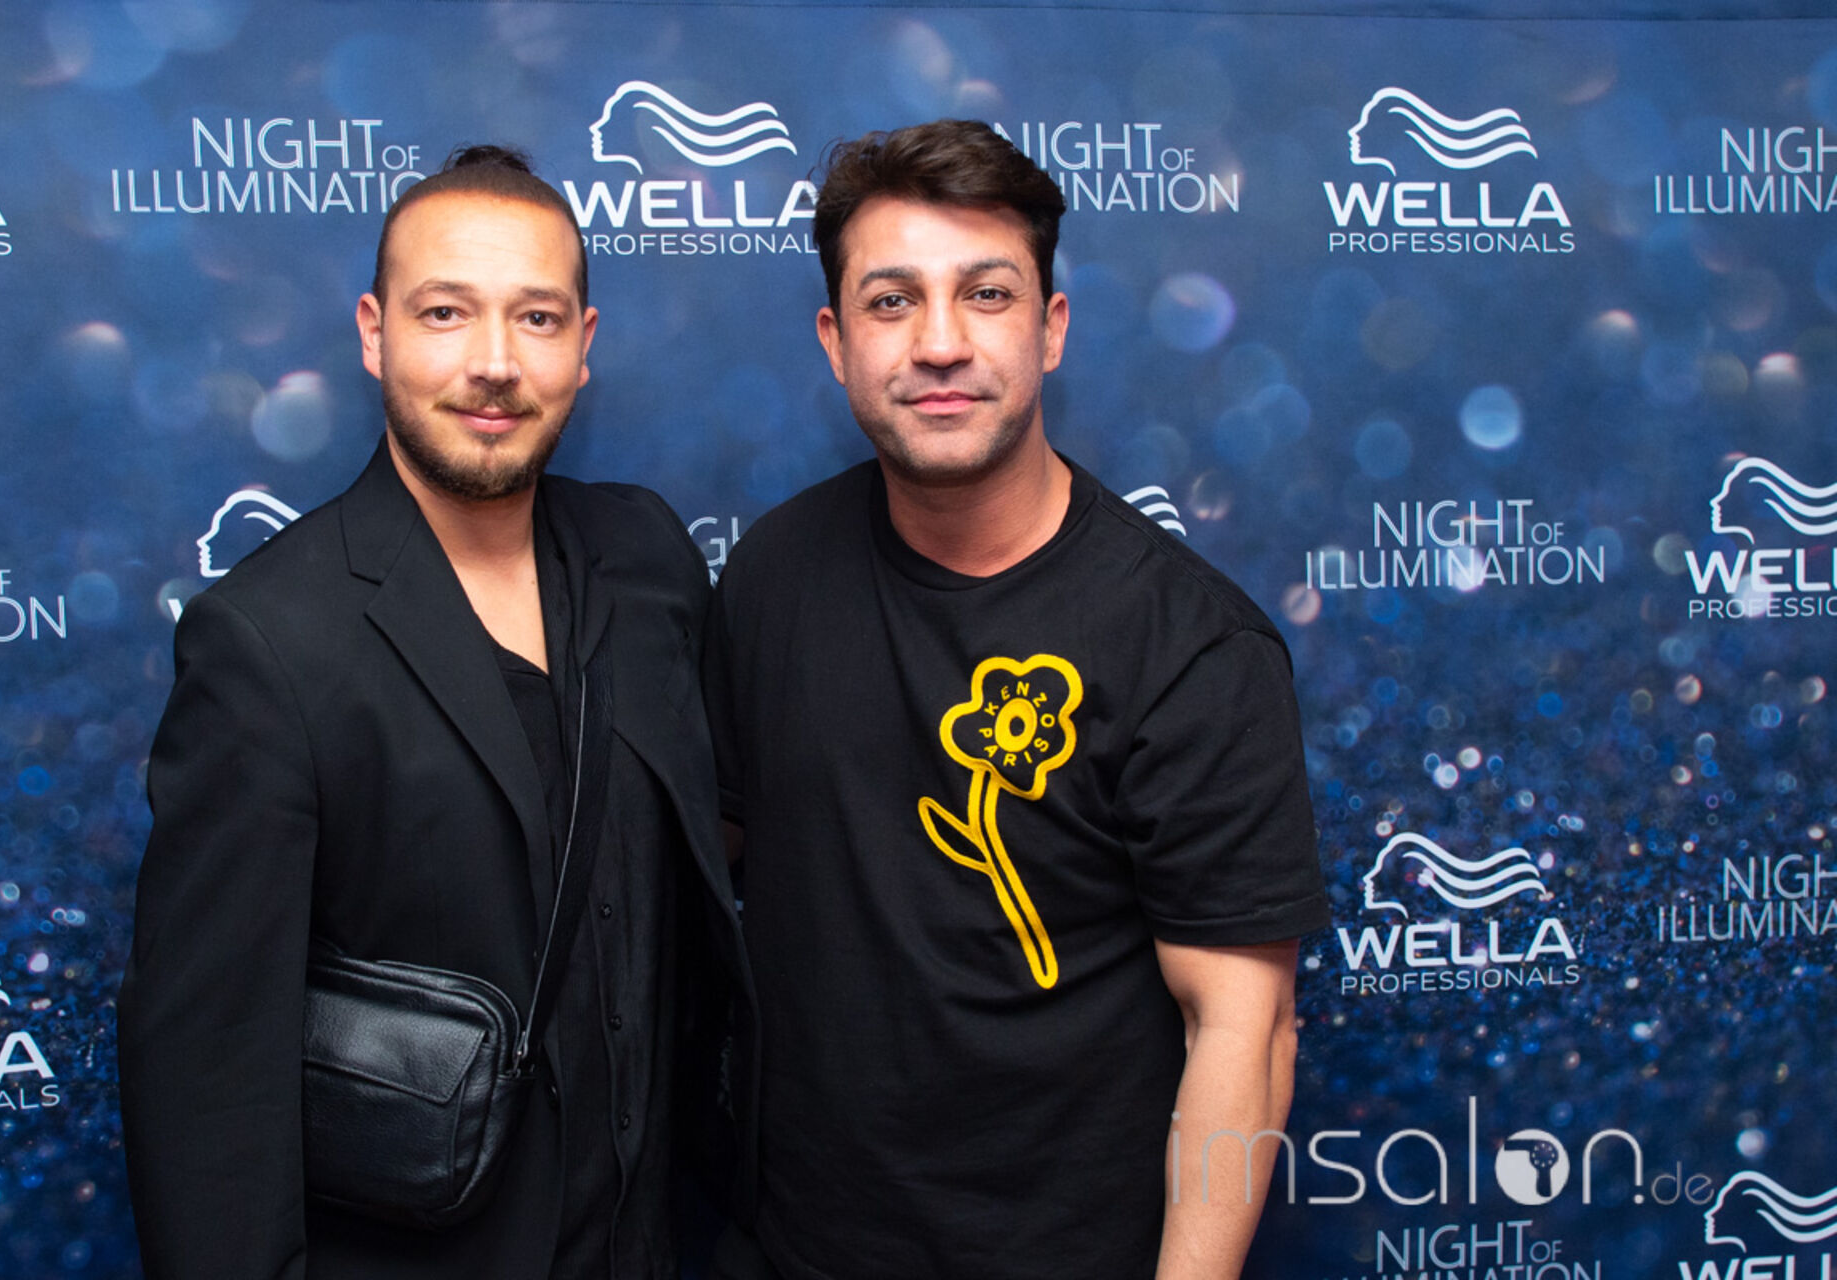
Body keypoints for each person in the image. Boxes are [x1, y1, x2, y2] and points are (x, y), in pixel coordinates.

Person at [702, 120, 1330, 1280]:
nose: (940, 342)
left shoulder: (1190, 644)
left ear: (1050, 327)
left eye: (986, 294)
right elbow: (701, 864)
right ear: (836, 341)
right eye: (892, 301)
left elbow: (1242, 1030)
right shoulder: (771, 577)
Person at [118, 146, 751, 1280]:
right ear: (375, 334)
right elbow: (207, 1081)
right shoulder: (267, 641)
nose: (495, 364)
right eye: (446, 312)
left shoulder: (647, 556)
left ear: (584, 344)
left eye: (537, 318)